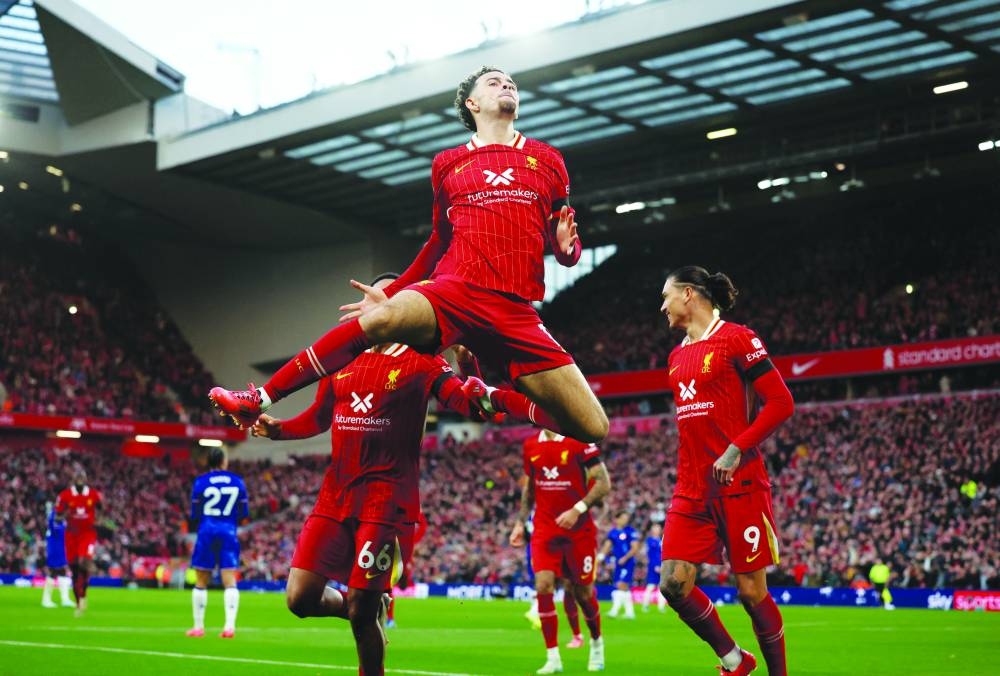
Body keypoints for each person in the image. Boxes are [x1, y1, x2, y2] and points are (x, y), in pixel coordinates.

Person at [209, 65, 608, 446]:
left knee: (592, 426)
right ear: (471, 104)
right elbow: (437, 242)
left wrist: (567, 249)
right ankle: (259, 398)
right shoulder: (448, 163)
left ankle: (490, 396)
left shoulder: (549, 160)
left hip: (514, 309)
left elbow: (566, 249)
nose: (506, 86)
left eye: (510, 83)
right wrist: (396, 289)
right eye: (493, 82)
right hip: (456, 290)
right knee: (381, 318)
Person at [251, 274, 532, 676]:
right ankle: (363, 607)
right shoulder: (342, 358)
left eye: (389, 296)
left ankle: (367, 620)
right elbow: (317, 418)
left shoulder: (424, 361)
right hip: (335, 496)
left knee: (362, 611)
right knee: (299, 599)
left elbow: (472, 407)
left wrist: (469, 366)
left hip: (386, 501)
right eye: (371, 296)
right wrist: (277, 429)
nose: (374, 302)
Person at [657, 266, 795, 676]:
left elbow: (781, 403)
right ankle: (735, 660)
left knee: (752, 593)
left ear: (688, 295)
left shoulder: (738, 338)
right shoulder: (676, 356)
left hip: (740, 485)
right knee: (672, 585)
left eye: (666, 296)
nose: (662, 306)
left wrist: (737, 448)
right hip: (691, 489)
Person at [510, 428, 610, 674]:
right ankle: (553, 658)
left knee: (583, 594)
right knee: (543, 585)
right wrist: (520, 522)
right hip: (545, 530)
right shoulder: (531, 445)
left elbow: (603, 483)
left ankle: (596, 642)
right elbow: (530, 489)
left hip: (579, 532)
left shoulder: (579, 441)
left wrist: (577, 508)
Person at [187, 446, 249, 639]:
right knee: (229, 581)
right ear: (223, 461)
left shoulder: (201, 482)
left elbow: (194, 514)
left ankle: (198, 628)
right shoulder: (237, 482)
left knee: (201, 581)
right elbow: (244, 513)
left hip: (206, 531)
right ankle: (229, 628)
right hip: (228, 532)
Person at [55, 468, 102, 617]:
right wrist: (64, 515)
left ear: (86, 479)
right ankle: (79, 601)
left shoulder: (93, 495)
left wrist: (98, 519)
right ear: (73, 479)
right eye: (78, 477)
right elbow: (58, 515)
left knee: (84, 561)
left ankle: (85, 589)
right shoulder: (65, 495)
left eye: (83, 476)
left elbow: (100, 508)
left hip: (87, 534)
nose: (80, 479)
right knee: (75, 569)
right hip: (71, 535)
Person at [600, 511, 639, 620]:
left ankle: (614, 611)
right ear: (616, 519)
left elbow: (635, 547)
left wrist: (625, 558)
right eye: (623, 518)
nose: (625, 520)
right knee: (623, 587)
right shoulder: (613, 532)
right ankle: (629, 612)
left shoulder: (630, 531)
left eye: (626, 518)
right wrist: (601, 556)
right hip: (618, 563)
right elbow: (607, 545)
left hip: (628, 562)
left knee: (621, 585)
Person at [40, 501, 74, 608]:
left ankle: (64, 599)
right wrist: (52, 511)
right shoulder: (54, 528)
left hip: (60, 553)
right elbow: (52, 521)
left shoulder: (60, 527)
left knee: (62, 573)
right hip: (55, 554)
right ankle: (46, 600)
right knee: (54, 573)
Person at [641, 522, 666, 613]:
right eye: (655, 528)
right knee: (651, 586)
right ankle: (645, 605)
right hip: (654, 567)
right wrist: (656, 566)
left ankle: (661, 607)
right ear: (652, 530)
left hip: (662, 566)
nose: (657, 530)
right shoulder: (650, 541)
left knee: (662, 587)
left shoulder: (660, 540)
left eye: (658, 528)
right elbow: (652, 555)